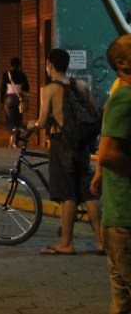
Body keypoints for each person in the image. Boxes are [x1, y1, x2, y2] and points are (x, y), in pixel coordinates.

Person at [25, 47, 102, 255]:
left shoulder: (49, 89)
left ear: (49, 64)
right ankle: (101, 242)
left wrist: (31, 124)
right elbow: (92, 112)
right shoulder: (81, 86)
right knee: (88, 193)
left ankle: (66, 243)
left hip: (62, 145)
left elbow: (42, 121)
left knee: (67, 194)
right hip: (82, 146)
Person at [91, 35, 131, 311]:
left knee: (122, 302)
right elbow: (106, 153)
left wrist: (100, 175)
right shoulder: (125, 98)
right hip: (126, 220)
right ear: (122, 63)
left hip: (119, 218)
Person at [2, 57, 30, 147]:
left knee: (10, 119)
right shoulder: (22, 75)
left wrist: (2, 101)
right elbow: (27, 89)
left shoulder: (6, 74)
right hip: (19, 99)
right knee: (18, 119)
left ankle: (12, 136)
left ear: (11, 65)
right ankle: (16, 140)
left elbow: (3, 89)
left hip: (9, 98)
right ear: (19, 65)